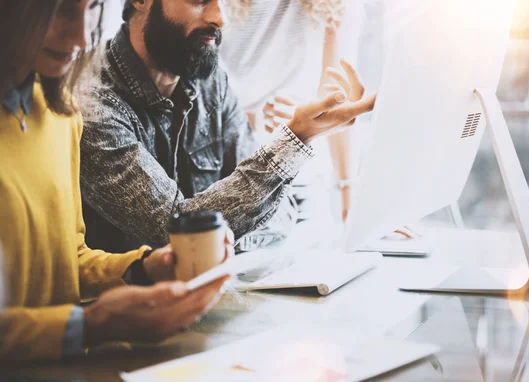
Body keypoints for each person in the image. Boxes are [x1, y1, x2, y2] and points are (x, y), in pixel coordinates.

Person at [0, 0, 233, 361]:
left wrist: (142, 268)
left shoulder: (59, 114)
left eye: (93, 6)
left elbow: (68, 259)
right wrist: (91, 325)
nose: (80, 35)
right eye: (60, 9)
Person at [79, 0, 375, 253]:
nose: (219, 17)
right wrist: (296, 139)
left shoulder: (210, 82)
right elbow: (176, 233)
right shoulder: (92, 105)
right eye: (198, 0)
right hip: (127, 309)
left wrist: (222, 229)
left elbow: (281, 217)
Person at [219, 0, 363, 222]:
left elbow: (339, 103)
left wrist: (350, 195)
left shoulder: (337, 6)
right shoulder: (219, 7)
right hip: (227, 178)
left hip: (302, 184)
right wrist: (254, 118)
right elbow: (198, 93)